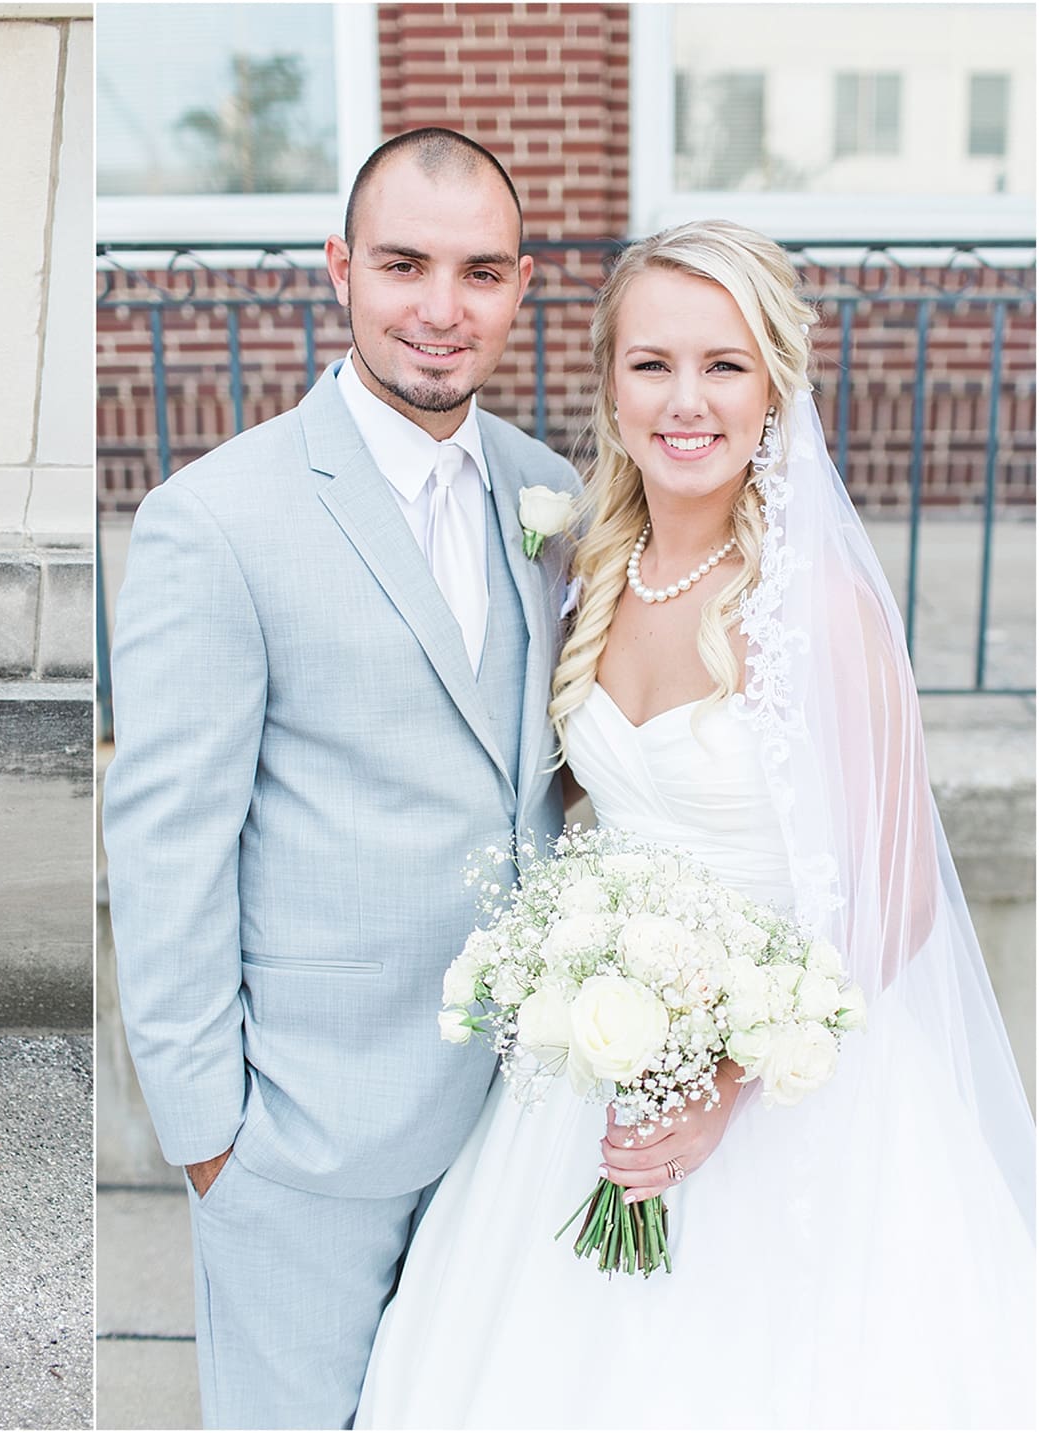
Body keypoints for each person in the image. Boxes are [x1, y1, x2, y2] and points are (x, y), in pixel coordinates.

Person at [354, 221, 1036, 1428]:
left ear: (773, 388)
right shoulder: (580, 573)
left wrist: (724, 1078)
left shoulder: (820, 608)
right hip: (589, 1070)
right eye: (651, 363)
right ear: (610, 384)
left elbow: (897, 897)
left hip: (792, 1089)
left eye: (723, 365)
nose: (685, 400)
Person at [102, 128, 581, 1429]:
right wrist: (211, 1136)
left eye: (480, 273)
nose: (441, 308)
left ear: (521, 286)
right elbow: (167, 841)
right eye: (403, 265)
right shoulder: (217, 517)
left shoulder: (550, 492)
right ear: (340, 268)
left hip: (520, 1119)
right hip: (306, 1129)